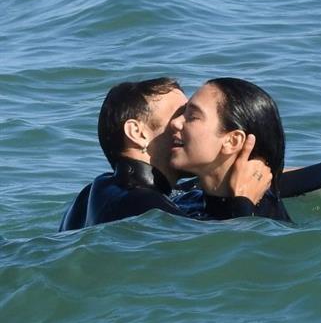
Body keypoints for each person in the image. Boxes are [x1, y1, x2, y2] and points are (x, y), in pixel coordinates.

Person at [59, 77, 274, 231]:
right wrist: (243, 202)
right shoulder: (144, 206)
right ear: (138, 133)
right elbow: (221, 258)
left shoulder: (102, 190)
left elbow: (192, 189)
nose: (183, 125)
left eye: (192, 117)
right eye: (182, 115)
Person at [169, 77, 291, 221]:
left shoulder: (266, 217)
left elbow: (247, 242)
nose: (175, 123)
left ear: (232, 141)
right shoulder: (187, 200)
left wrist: (242, 202)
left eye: (193, 117)